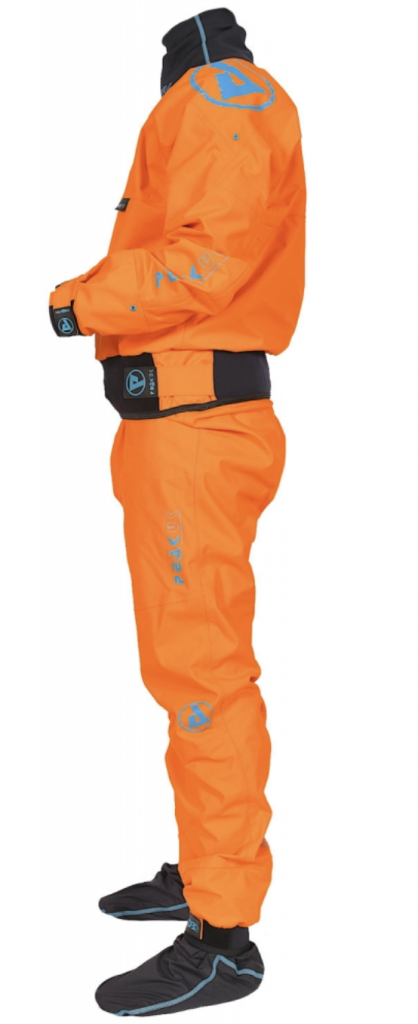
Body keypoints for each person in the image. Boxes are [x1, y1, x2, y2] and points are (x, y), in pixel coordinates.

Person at [49, 8, 306, 1016]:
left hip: (196, 430)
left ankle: (224, 936)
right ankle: (205, 867)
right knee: (184, 666)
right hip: (182, 427)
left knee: (201, 672)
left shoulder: (217, 93)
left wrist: (78, 300)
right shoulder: (218, 95)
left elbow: (203, 261)